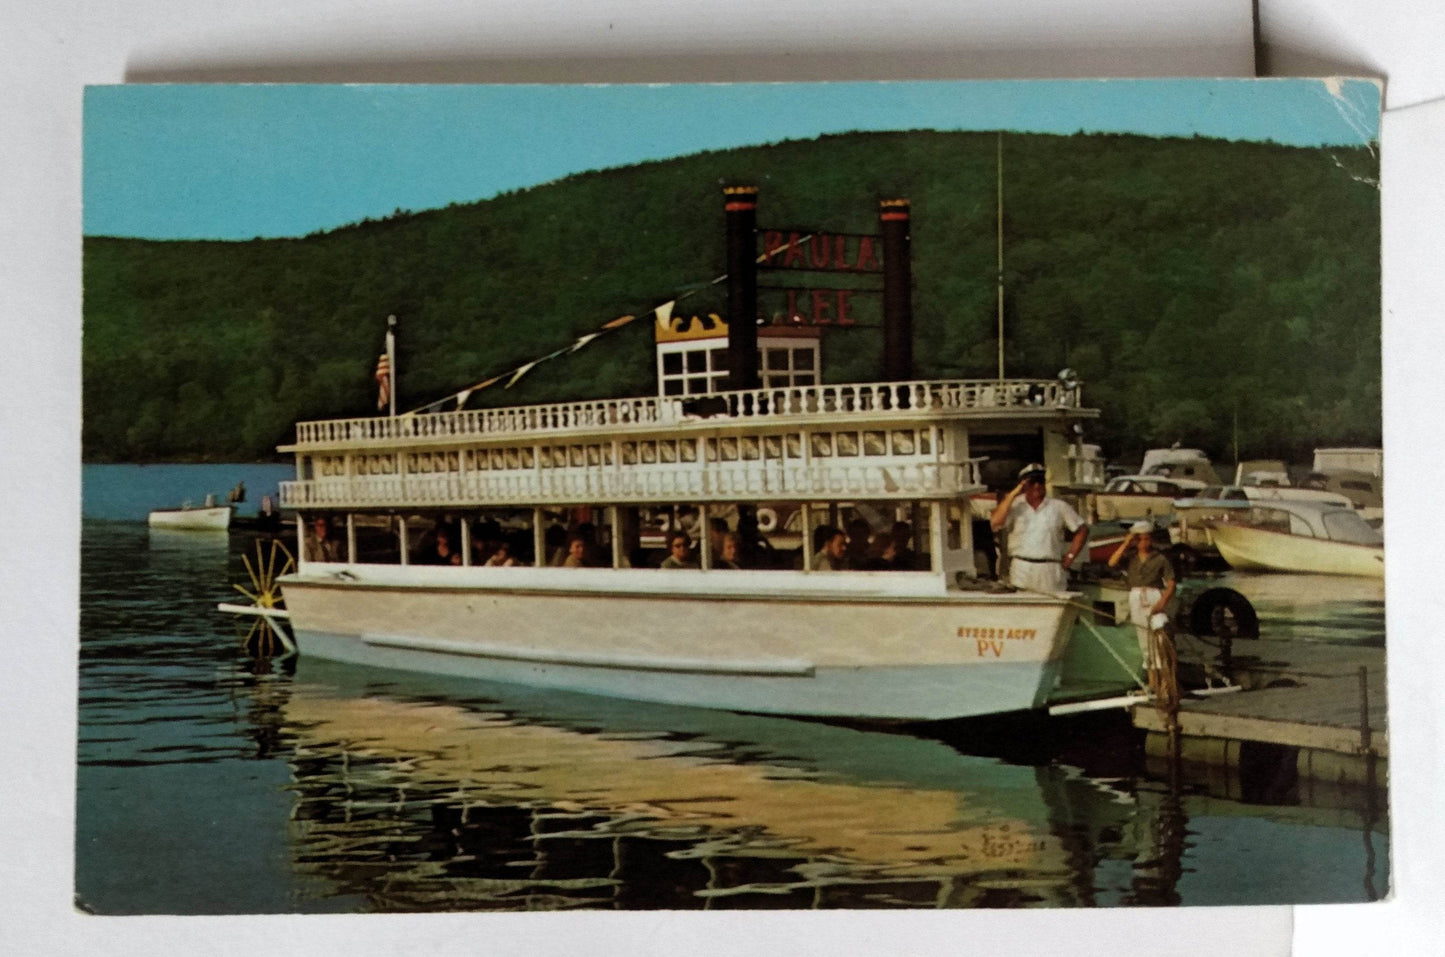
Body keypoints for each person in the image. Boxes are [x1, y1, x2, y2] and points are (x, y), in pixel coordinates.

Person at [989, 463, 1088, 592]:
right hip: (1021, 569)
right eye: (1032, 482)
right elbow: (995, 522)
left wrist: (1070, 556)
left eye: (1040, 481)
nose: (1037, 486)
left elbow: (1082, 530)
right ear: (1024, 485)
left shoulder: (1059, 506)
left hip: (1050, 569)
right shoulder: (1014, 506)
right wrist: (1013, 494)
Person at [1107, 520, 1177, 689]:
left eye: (1147, 539)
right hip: (1136, 596)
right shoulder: (1131, 558)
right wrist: (1126, 542)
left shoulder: (1160, 558)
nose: (1144, 543)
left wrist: (1162, 603)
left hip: (1153, 595)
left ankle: (1165, 683)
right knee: (1144, 640)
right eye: (1141, 539)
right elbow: (1112, 562)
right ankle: (1153, 683)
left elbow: (1171, 584)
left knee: (1159, 638)